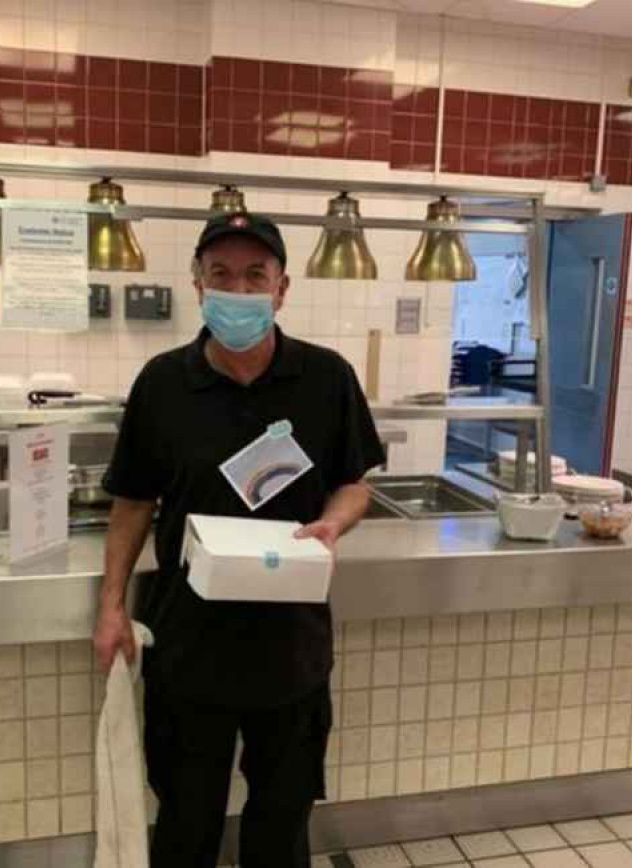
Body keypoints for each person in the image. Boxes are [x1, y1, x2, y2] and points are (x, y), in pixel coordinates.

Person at [94, 212, 385, 868]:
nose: (238, 289)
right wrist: (112, 605)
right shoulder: (163, 384)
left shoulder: (326, 378)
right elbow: (133, 502)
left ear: (282, 289)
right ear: (198, 284)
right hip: (190, 645)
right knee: (186, 820)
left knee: (281, 826)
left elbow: (354, 485)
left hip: (292, 645)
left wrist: (335, 522)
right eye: (221, 273)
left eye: (255, 275)